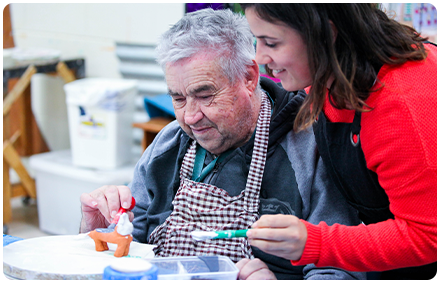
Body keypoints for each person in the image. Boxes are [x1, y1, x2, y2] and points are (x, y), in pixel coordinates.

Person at [79, 8, 365, 280]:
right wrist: (95, 230)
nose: (190, 117)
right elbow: (125, 250)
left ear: (249, 77)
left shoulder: (311, 149)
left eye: (205, 95)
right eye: (178, 98)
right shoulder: (166, 146)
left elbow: (341, 270)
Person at [240, 3, 437, 280]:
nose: (260, 57)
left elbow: (428, 236)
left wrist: (314, 243)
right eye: (256, 40)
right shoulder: (324, 70)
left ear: (325, 35)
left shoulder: (401, 104)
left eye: (271, 43)